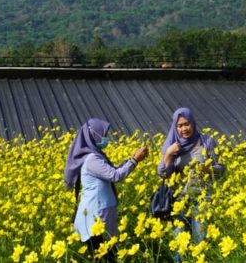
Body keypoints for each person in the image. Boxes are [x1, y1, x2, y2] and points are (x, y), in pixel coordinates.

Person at [64, 118, 148, 261]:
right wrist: (135, 160)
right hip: (94, 217)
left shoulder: (94, 156)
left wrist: (131, 160)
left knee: (107, 255)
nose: (106, 139)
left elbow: (112, 171)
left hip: (99, 213)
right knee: (104, 256)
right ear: (94, 135)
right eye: (103, 135)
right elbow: (115, 176)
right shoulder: (92, 160)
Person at [157, 107, 225, 247]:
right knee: (180, 244)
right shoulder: (172, 146)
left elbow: (222, 168)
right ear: (175, 127)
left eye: (186, 124)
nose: (184, 129)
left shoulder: (207, 142)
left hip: (202, 199)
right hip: (179, 200)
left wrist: (209, 169)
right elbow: (163, 174)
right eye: (180, 126)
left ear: (193, 123)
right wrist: (169, 154)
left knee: (201, 241)